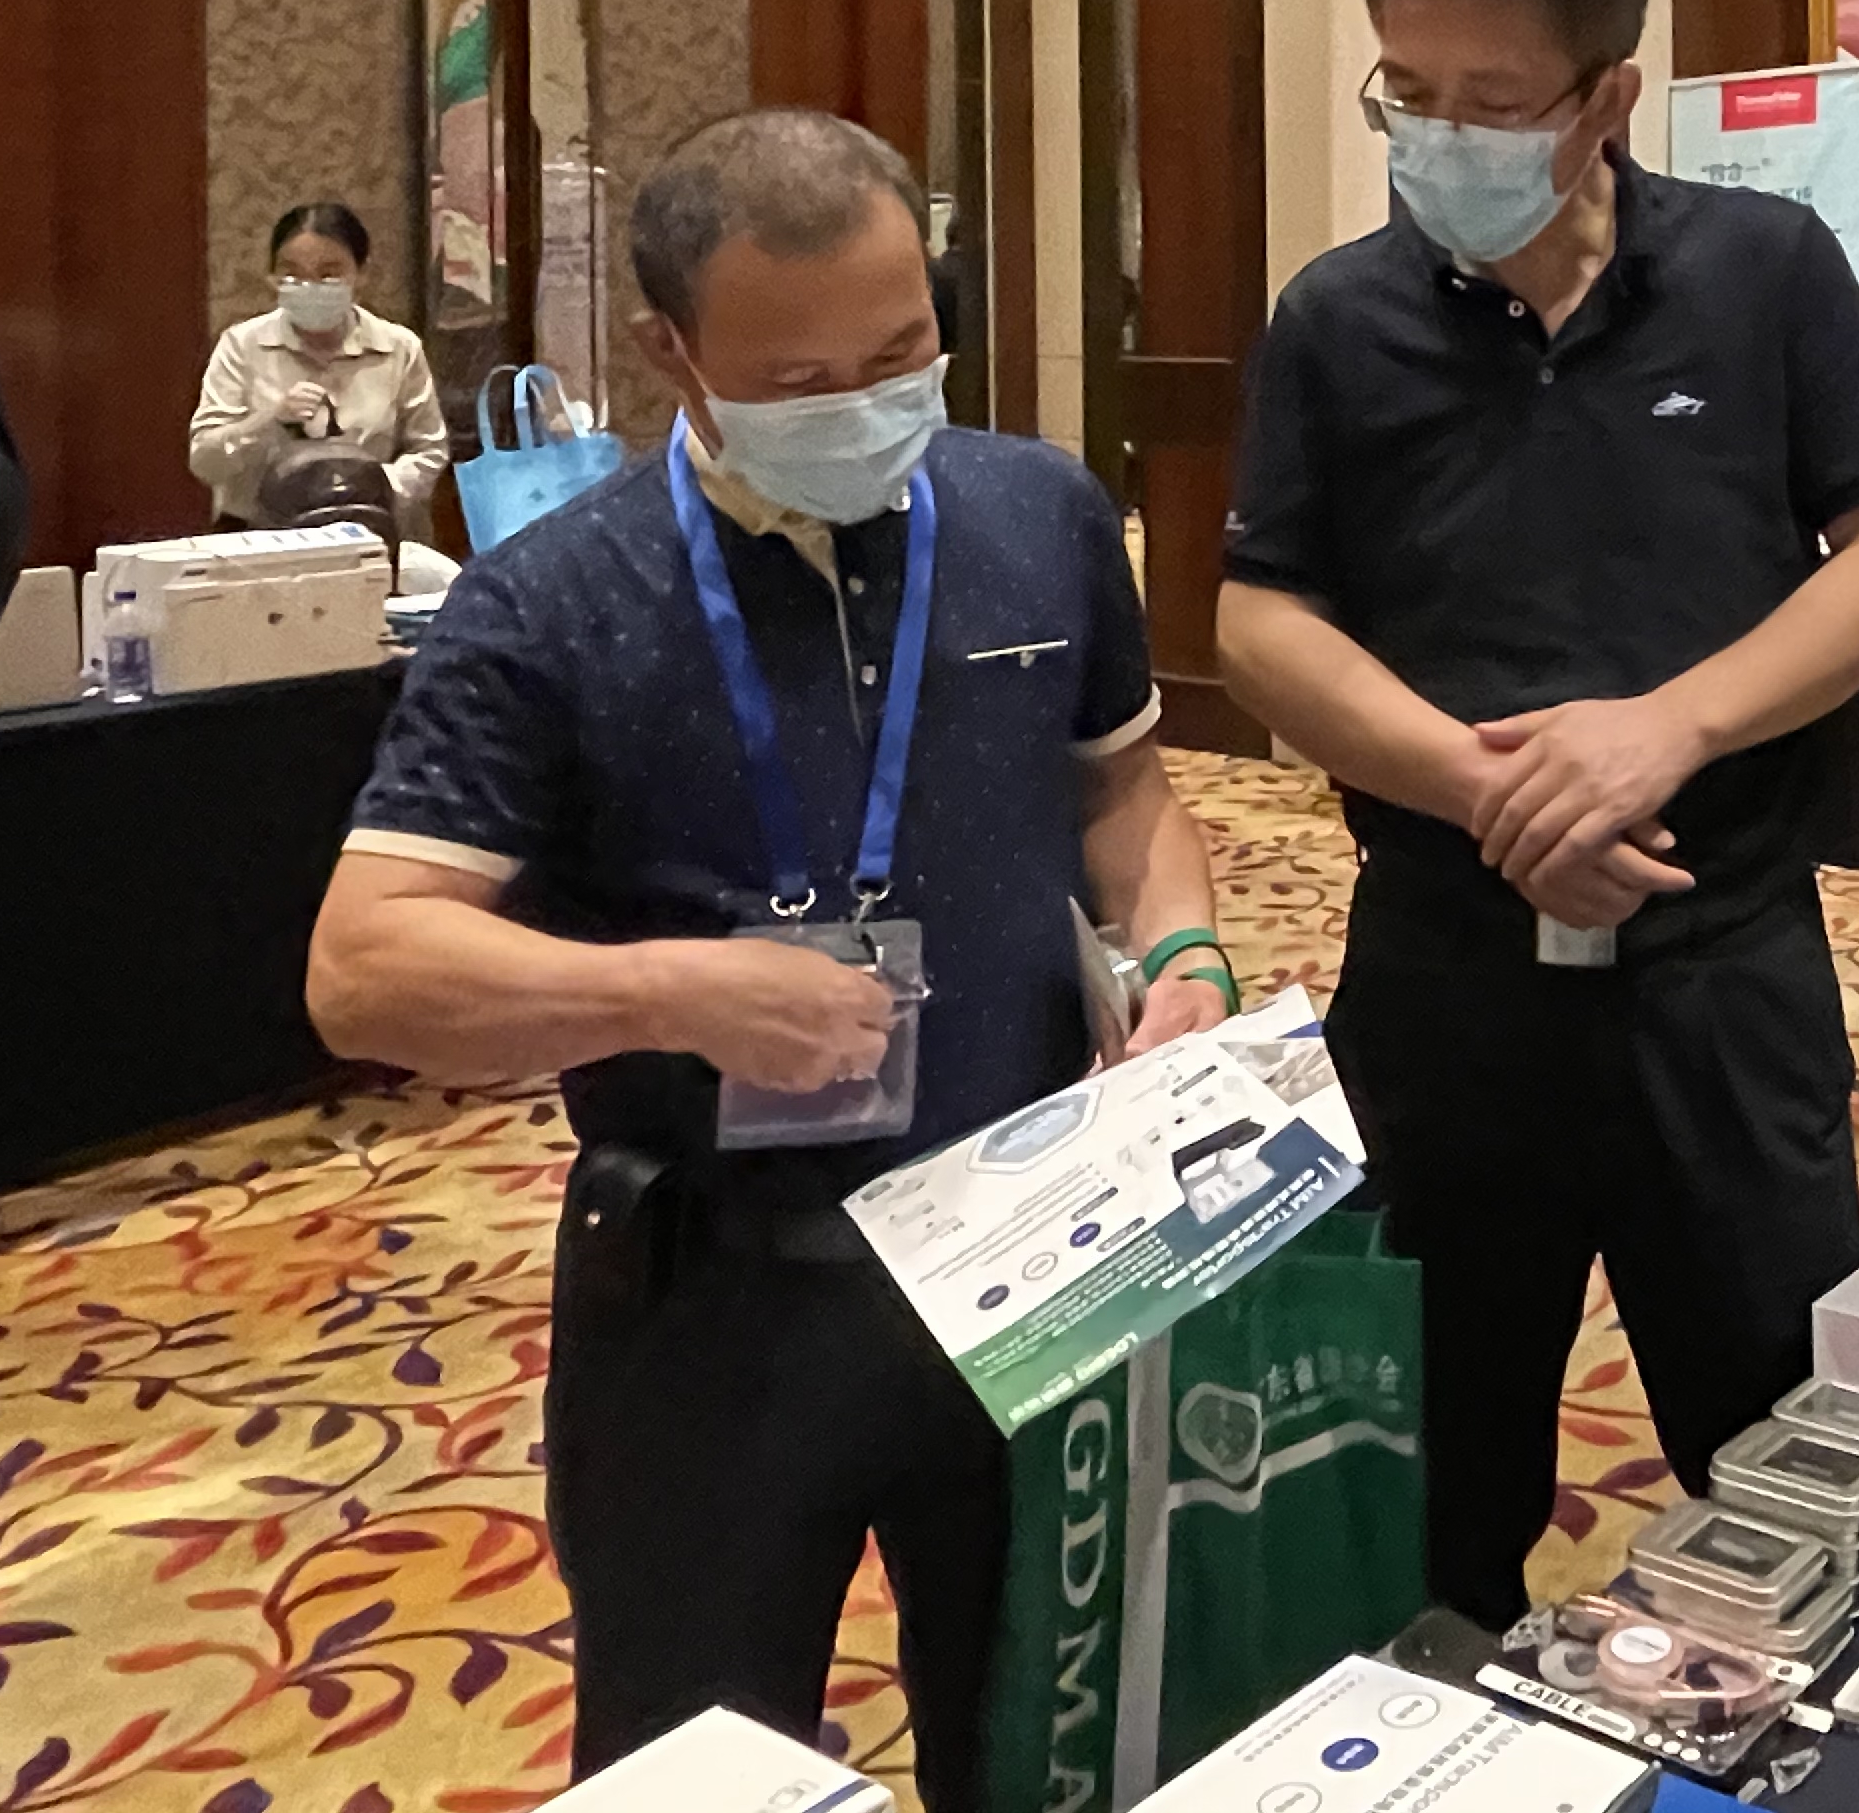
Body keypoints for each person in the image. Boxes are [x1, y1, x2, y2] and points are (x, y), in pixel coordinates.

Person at [304, 108, 1231, 1773]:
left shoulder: (1039, 513)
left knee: (1046, 1748)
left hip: (1029, 1260)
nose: (866, 404)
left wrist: (1185, 953)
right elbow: (365, 970)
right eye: (800, 381)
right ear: (672, 350)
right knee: (697, 1762)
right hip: (714, 1305)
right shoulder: (550, 602)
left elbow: (1126, 796)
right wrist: (666, 991)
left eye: (902, 351)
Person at [1217, 0, 1859, 1631]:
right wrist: (1489, 790)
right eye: (1408, 92)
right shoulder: (1337, 317)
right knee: (1427, 1469)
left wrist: (1663, 733)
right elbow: (1260, 618)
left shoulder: (1763, 270)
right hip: (1444, 979)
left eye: (1495, 101)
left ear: (1609, 94)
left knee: (1788, 1451)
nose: (1440, 137)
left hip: (1720, 967)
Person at [188, 201, 450, 527]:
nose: (309, 286)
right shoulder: (242, 346)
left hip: (366, 529)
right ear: (272, 276)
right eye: (291, 272)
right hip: (258, 532)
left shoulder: (399, 348)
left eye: (329, 273)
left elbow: (429, 449)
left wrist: (369, 487)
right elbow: (205, 460)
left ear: (361, 274)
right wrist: (269, 420)